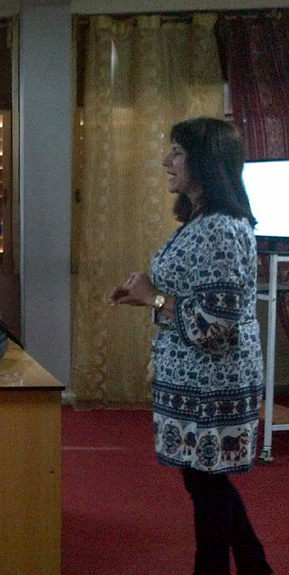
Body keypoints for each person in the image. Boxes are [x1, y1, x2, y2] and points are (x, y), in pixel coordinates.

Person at [107, 118, 271, 575]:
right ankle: (255, 566)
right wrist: (147, 292)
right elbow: (191, 298)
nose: (166, 161)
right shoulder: (201, 220)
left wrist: (153, 298)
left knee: (207, 485)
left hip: (215, 384)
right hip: (194, 381)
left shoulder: (223, 228)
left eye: (177, 152)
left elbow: (215, 325)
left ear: (205, 162)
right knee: (205, 482)